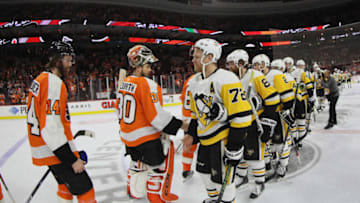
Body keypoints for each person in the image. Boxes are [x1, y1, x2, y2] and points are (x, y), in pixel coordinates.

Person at [183, 38, 252, 203]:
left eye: (197, 56)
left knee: (224, 182)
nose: (193, 59)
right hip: (205, 138)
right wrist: (191, 134)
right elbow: (195, 114)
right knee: (204, 173)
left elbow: (242, 116)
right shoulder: (193, 82)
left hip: (221, 139)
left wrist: (234, 147)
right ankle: (215, 199)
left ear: (209, 57)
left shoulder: (227, 78)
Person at [26, 41, 97, 203]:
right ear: (57, 61)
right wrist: (71, 159)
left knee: (65, 186)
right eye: (67, 60)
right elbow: (50, 126)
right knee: (85, 188)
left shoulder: (40, 79)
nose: (70, 64)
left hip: (45, 147)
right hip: (53, 150)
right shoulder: (53, 82)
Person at [118, 45, 188, 203]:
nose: (151, 70)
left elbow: (119, 111)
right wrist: (180, 125)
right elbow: (157, 117)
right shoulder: (147, 84)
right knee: (164, 156)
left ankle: (133, 190)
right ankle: (158, 196)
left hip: (127, 136)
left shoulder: (124, 83)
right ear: (139, 65)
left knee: (136, 162)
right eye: (148, 66)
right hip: (144, 138)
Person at [226, 50, 280, 198]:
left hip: (254, 123)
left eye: (231, 63)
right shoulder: (230, 79)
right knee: (240, 153)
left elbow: (273, 98)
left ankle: (258, 183)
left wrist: (268, 123)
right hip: (237, 124)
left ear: (241, 63)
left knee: (254, 156)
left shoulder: (255, 76)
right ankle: (240, 176)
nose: (229, 66)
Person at [261, 59, 295, 178]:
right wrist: (288, 108)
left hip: (265, 113)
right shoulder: (279, 75)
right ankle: (282, 165)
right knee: (283, 141)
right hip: (278, 113)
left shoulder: (263, 76)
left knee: (267, 140)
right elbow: (288, 97)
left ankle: (267, 163)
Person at [179, 74, 197, 181]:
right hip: (199, 118)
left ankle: (186, 170)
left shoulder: (189, 79)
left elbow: (182, 98)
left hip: (187, 118)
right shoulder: (205, 78)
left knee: (189, 145)